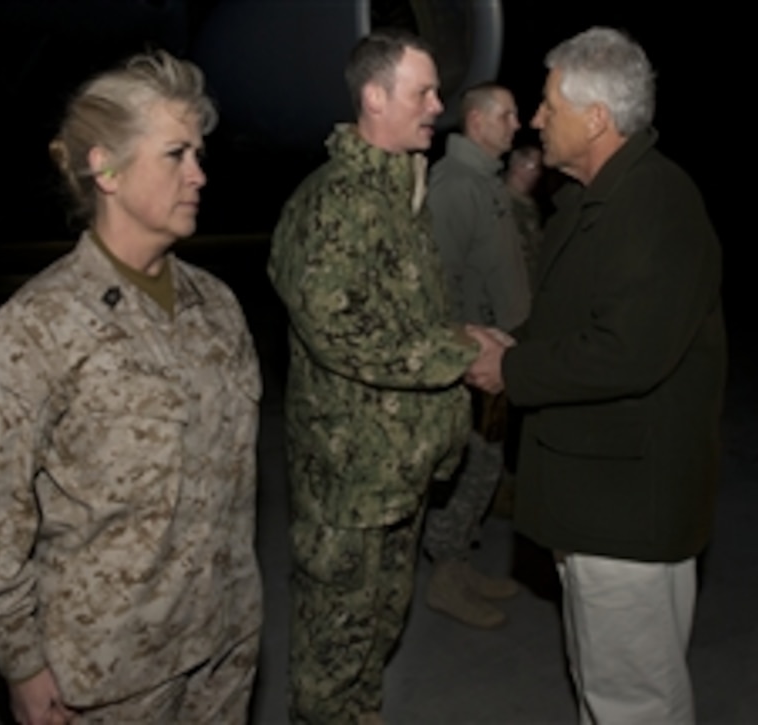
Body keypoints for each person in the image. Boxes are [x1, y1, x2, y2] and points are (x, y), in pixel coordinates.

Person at [0, 50, 263, 725]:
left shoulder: (217, 306)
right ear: (105, 167)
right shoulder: (38, 327)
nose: (199, 173)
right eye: (176, 154)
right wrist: (21, 660)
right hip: (108, 673)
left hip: (222, 644)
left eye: (199, 152)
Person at [467, 27, 727, 725]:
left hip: (628, 510)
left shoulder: (655, 205)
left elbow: (628, 351)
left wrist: (513, 367)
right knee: (604, 683)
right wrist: (511, 344)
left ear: (597, 119)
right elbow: (580, 321)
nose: (535, 118)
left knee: (633, 699)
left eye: (549, 104)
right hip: (599, 497)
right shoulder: (596, 201)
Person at [266, 28, 501, 725]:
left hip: (396, 472)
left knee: (377, 636)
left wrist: (460, 333)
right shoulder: (332, 203)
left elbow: (407, 312)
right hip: (350, 486)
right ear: (374, 97)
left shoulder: (399, 193)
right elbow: (346, 335)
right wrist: (466, 358)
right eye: (423, 91)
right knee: (333, 655)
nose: (438, 104)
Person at [421, 82, 531, 629]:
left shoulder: (486, 184)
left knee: (485, 465)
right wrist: (466, 349)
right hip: (470, 361)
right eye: (507, 115)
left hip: (498, 354)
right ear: (478, 122)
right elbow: (438, 282)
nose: (517, 125)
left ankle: (459, 562)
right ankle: (445, 574)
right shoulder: (455, 186)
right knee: (465, 467)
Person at [504, 144, 545, 286]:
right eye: (533, 166)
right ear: (517, 166)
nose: (537, 173)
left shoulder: (529, 206)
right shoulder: (500, 203)